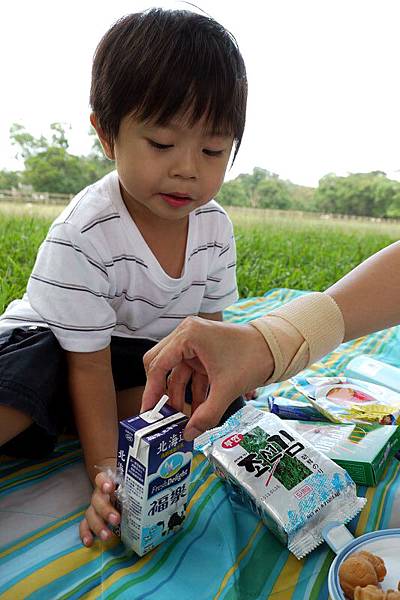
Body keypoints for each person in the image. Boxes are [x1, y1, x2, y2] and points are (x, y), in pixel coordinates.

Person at [0, 8, 248, 546]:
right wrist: (105, 474)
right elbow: (83, 366)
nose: (188, 168)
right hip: (50, 350)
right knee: (34, 373)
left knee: (221, 394)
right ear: (107, 134)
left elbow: (211, 337)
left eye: (212, 150)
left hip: (125, 361)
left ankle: (80, 420)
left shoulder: (214, 229)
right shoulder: (87, 230)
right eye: (161, 143)